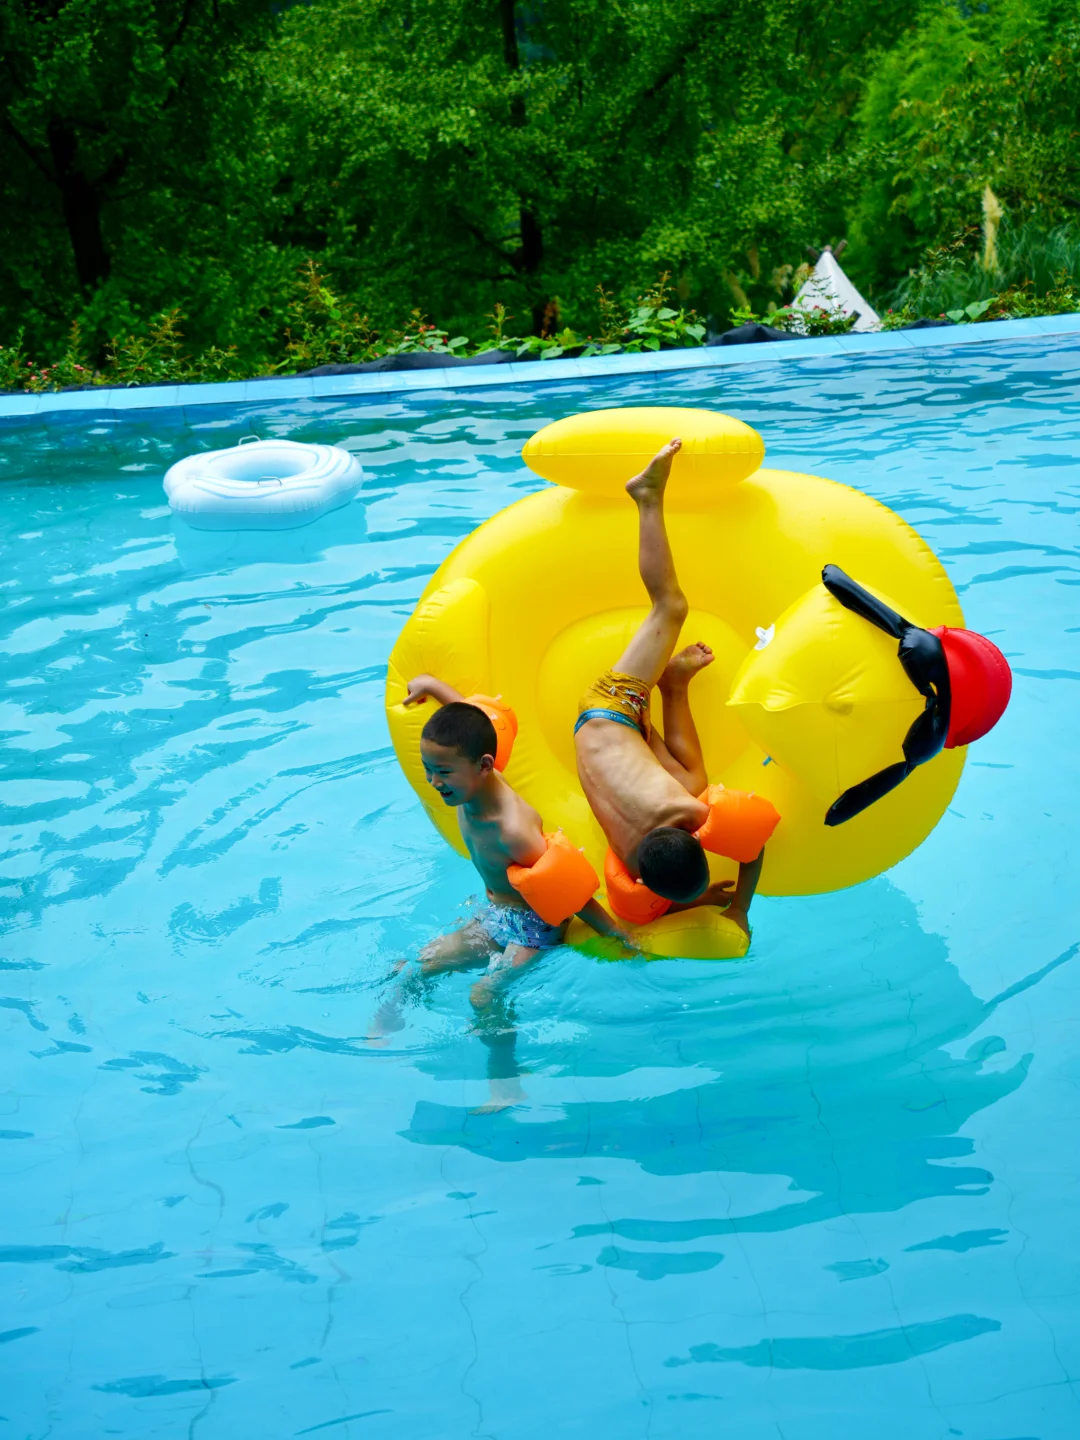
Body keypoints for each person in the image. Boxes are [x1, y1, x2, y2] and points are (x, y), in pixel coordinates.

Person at [367, 680, 627, 1095]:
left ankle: (506, 1082)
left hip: (535, 927)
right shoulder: (471, 777)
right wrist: (434, 688)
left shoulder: (512, 830)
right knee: (415, 965)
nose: (434, 782)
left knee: (482, 996)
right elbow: (475, 722)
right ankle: (389, 1021)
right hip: (496, 914)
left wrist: (615, 932)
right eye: (428, 769)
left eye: (444, 772)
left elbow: (566, 889)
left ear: (484, 766)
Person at [574, 437, 766, 938]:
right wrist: (695, 896)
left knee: (671, 607)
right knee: (694, 776)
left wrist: (741, 909)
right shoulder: (632, 860)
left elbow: (753, 846)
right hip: (596, 731)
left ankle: (646, 495)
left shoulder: (687, 813)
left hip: (614, 706)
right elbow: (650, 901)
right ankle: (673, 684)